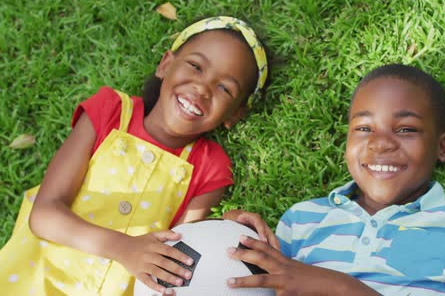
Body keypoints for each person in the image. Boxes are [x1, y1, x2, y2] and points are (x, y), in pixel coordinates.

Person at [0, 16, 275, 296]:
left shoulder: (211, 165)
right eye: (195, 66)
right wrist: (123, 247)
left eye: (224, 88)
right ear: (166, 64)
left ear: (235, 114)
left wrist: (228, 225)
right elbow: (45, 214)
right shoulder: (110, 111)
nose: (202, 88)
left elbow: (184, 248)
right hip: (33, 280)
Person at [225, 64, 445, 295]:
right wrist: (232, 240)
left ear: (441, 148)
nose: (380, 143)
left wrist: (341, 287)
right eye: (364, 128)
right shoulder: (303, 219)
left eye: (405, 130)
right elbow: (268, 283)